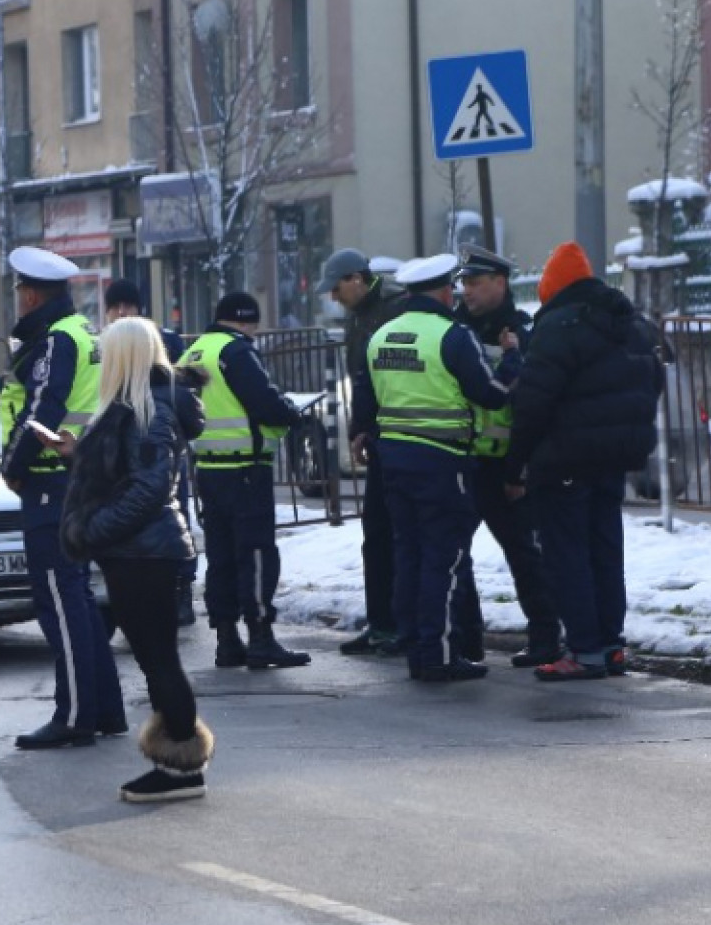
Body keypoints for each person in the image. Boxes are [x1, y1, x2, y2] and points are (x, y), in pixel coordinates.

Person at [54, 316, 213, 802]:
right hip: (138, 551)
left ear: (124, 357)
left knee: (159, 657)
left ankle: (183, 767)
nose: (100, 360)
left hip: (145, 553)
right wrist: (75, 456)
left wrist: (93, 530)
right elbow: (126, 474)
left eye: (106, 352)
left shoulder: (148, 409)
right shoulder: (136, 405)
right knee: (152, 657)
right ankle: (178, 763)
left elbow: (148, 488)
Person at [505, 242, 664, 681]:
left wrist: (514, 462)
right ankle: (611, 645)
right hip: (614, 457)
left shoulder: (559, 326)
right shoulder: (630, 322)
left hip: (565, 458)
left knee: (567, 554)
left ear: (552, 287)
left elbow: (535, 402)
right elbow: (656, 377)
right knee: (604, 550)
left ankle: (583, 649)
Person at [366, 254, 518, 682]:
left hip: (394, 460)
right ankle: (439, 652)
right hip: (442, 462)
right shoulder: (453, 335)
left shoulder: (382, 335)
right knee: (443, 559)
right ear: (445, 291)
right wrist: (510, 362)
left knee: (409, 555)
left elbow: (373, 393)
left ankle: (415, 646)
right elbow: (490, 395)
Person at [0, 246, 125, 749]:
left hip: (52, 483)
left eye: (19, 293)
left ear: (30, 294)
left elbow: (41, 413)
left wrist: (13, 466)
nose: (19, 301)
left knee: (58, 601)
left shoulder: (55, 341)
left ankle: (74, 715)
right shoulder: (82, 333)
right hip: (76, 480)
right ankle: (104, 709)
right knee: (77, 599)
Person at [177, 292, 312, 671]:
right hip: (246, 470)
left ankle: (226, 639)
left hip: (208, 468)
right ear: (247, 320)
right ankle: (260, 636)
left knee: (220, 556)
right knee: (254, 553)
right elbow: (263, 401)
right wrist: (291, 415)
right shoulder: (236, 352)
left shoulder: (195, 352)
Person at [450, 245, 563, 667]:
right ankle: (466, 642)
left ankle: (546, 638)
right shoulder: (455, 330)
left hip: (503, 464)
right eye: (464, 284)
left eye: (476, 283)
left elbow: (532, 404)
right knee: (455, 556)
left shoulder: (522, 332)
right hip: (462, 460)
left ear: (500, 283)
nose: (468, 292)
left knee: (525, 554)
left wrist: (522, 465)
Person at [324, 248, 410, 656]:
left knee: (399, 535)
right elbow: (360, 379)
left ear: (358, 278)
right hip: (377, 438)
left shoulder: (395, 308)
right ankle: (381, 624)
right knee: (375, 535)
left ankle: (399, 624)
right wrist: (359, 430)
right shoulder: (359, 317)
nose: (334, 296)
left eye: (337, 287)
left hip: (400, 437)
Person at [106, 277, 200, 628]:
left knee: (174, 513)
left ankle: (182, 589)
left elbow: (180, 391)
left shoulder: (165, 341)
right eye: (115, 307)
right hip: (124, 444)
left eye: (127, 306)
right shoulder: (106, 344)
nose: (121, 312)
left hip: (160, 440)